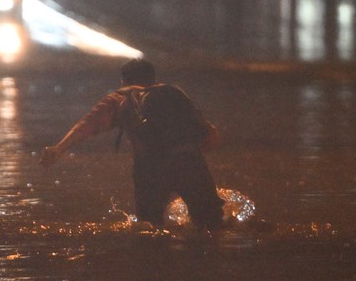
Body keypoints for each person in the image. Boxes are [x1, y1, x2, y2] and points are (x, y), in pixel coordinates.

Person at [40, 58, 224, 230]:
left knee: (150, 228)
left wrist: (59, 148)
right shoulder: (173, 93)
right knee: (212, 224)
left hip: (151, 169)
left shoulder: (119, 99)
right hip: (190, 162)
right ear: (153, 78)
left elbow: (88, 125)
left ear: (123, 81)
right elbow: (211, 135)